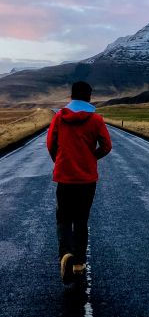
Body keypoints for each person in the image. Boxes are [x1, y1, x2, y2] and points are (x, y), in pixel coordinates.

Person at [47, 81, 112, 284]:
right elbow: (107, 146)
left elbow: (51, 144)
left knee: (64, 218)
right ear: (89, 97)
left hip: (65, 177)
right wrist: (91, 158)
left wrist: (60, 161)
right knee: (81, 220)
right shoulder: (96, 120)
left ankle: (65, 254)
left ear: (71, 96)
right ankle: (78, 264)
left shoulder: (59, 117)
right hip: (86, 179)